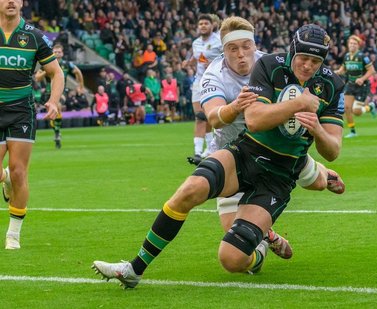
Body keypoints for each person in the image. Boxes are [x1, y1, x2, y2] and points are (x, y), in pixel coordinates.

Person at [91, 23, 344, 288]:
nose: (307, 66)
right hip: (245, 153)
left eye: (315, 61)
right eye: (303, 58)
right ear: (292, 51)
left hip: (280, 175)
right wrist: (298, 104)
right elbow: (254, 120)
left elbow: (333, 149)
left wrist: (316, 129)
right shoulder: (267, 66)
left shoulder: (330, 85)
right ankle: (134, 269)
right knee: (191, 189)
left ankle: (258, 253)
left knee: (231, 259)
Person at [198, 17, 345, 259]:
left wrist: (314, 125)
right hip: (235, 150)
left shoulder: (269, 64)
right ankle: (270, 236)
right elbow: (213, 118)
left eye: (247, 46)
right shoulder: (213, 76)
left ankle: (320, 171)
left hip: (277, 149)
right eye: (233, 48)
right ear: (224, 50)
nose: (242, 54)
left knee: (318, 183)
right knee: (234, 237)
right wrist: (235, 107)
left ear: (255, 45)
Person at [0, 0, 63, 249]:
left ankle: (13, 235)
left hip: (20, 111)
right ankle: (4, 178)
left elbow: (56, 72)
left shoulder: (34, 36)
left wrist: (54, 100)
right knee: (8, 175)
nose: (12, 1)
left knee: (18, 171)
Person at [182, 14, 223, 164]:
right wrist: (188, 63)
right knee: (200, 115)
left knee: (208, 115)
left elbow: (226, 58)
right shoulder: (196, 43)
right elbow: (196, 57)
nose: (203, 26)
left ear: (212, 25)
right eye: (201, 24)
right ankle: (200, 152)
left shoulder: (219, 41)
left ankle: (205, 149)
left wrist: (213, 62)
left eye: (206, 23)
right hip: (199, 82)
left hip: (214, 81)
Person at [35, 43, 84, 149]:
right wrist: (46, 71)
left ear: (62, 53)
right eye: (55, 52)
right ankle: (57, 131)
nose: (57, 54)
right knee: (52, 114)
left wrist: (81, 85)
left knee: (58, 106)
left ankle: (57, 133)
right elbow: (37, 78)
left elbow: (78, 72)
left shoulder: (67, 64)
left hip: (61, 91)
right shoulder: (46, 64)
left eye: (59, 52)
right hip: (48, 92)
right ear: (52, 53)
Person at [335, 35, 377, 138]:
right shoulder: (347, 56)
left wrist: (362, 79)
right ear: (348, 45)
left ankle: (370, 107)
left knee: (356, 111)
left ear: (358, 46)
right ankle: (353, 131)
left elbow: (372, 70)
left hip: (362, 86)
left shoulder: (363, 57)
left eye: (355, 44)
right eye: (351, 43)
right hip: (350, 85)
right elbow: (343, 69)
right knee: (346, 108)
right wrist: (335, 72)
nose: (352, 45)